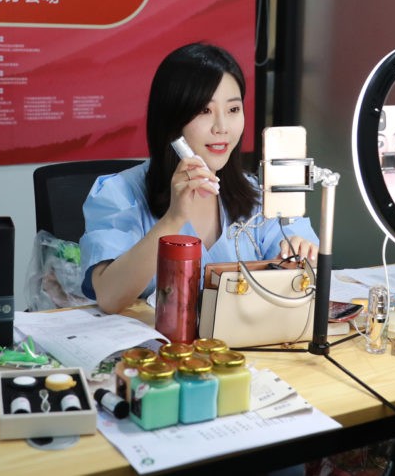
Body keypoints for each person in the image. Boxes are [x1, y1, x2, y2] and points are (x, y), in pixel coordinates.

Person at [79, 42, 320, 314]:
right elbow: (109, 297)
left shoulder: (259, 195)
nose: (222, 128)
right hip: (156, 340)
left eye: (233, 110)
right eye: (204, 111)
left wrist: (299, 258)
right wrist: (173, 219)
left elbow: (306, 270)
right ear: (172, 119)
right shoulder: (119, 192)